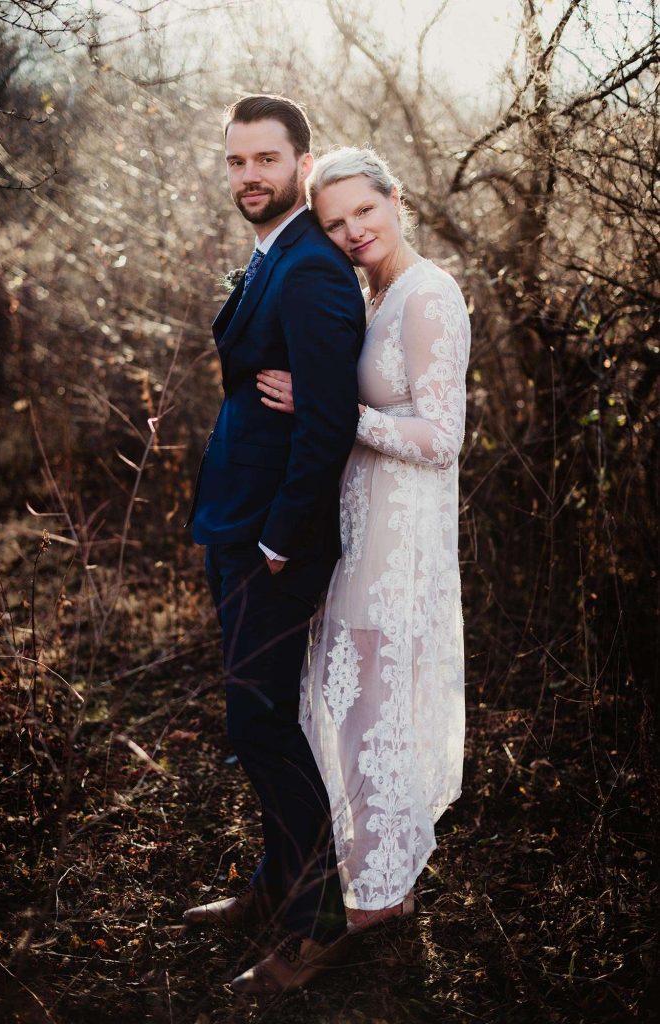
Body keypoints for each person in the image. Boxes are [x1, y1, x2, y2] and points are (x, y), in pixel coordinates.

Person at [256, 147, 471, 933]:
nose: (353, 231)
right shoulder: (372, 295)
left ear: (396, 199)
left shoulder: (428, 295)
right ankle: (371, 872)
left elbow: (441, 439)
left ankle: (382, 895)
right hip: (360, 520)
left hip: (401, 531)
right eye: (335, 222)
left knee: (376, 705)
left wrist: (334, 411)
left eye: (365, 211)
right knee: (350, 701)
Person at [182, 102, 365, 994]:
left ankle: (318, 922)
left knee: (263, 726)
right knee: (258, 721)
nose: (249, 175)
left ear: (302, 162)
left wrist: (281, 540)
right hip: (236, 525)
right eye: (237, 161)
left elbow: (327, 426)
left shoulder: (312, 269)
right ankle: (274, 881)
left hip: (272, 542)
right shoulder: (272, 255)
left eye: (266, 158)